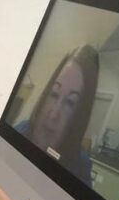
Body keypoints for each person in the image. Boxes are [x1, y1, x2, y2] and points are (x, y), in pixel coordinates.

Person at [16, 44, 99, 186]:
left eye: (70, 103)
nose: (54, 114)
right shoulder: (21, 130)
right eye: (54, 94)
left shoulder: (80, 169)